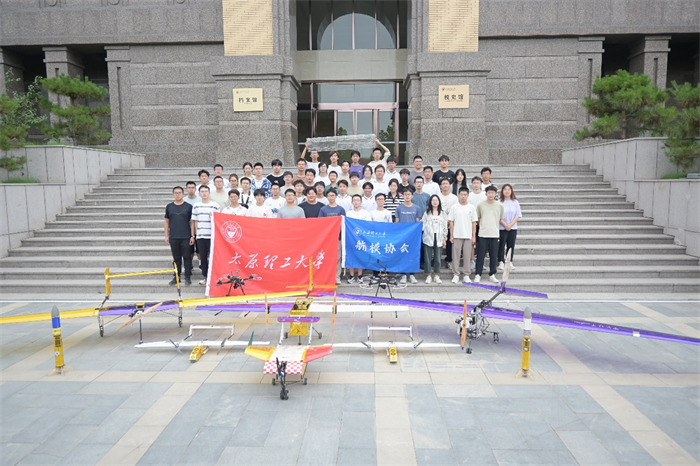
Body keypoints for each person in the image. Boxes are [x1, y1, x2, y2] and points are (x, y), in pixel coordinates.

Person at [164, 186, 194, 286]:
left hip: (186, 236)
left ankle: (187, 277)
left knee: (187, 257)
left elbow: (192, 222)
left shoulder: (188, 206)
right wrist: (166, 235)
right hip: (174, 236)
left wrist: (192, 236)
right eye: (176, 193)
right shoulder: (169, 206)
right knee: (176, 258)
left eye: (179, 193)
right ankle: (176, 276)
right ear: (173, 194)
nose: (178, 195)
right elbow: (166, 221)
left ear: (183, 194)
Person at [475, 185, 504, 284]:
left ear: (495, 194)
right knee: (480, 255)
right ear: (486, 194)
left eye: (492, 193)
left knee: (493, 255)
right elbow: (478, 218)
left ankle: (492, 274)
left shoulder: (499, 206)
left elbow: (500, 218)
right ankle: (478, 274)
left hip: (494, 234)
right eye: (489, 193)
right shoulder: (481, 205)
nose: (491, 194)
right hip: (483, 233)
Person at [191, 185, 220, 285]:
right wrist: (193, 235)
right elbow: (194, 221)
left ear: (209, 193)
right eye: (202, 191)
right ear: (199, 193)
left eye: (206, 191)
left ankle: (214, 277)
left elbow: (219, 220)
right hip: (201, 236)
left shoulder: (215, 205)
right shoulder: (196, 205)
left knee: (213, 258)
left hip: (212, 236)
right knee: (203, 258)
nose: (204, 193)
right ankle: (206, 277)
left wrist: (214, 217)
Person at [449, 187, 478, 284]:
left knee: (467, 256)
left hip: (468, 235)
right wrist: (451, 235)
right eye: (461, 194)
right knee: (455, 256)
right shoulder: (454, 207)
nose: (463, 196)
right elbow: (451, 222)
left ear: (468, 195)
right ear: (458, 195)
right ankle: (456, 274)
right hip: (457, 234)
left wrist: (473, 236)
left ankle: (466, 275)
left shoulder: (471, 207)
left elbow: (474, 223)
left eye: (465, 195)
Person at [319, 188, 346, 285]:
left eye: (333, 195)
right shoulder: (323, 209)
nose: (331, 197)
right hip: (327, 239)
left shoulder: (341, 209)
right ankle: (327, 277)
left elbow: (343, 223)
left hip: (338, 238)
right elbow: (321, 224)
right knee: (327, 258)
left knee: (338, 258)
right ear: (327, 197)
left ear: (336, 196)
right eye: (329, 195)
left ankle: (336, 277)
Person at [394, 190, 422, 284]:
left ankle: (412, 275)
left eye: (409, 194)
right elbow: (397, 222)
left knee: (412, 254)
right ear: (403, 196)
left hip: (413, 236)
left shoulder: (417, 208)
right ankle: (403, 275)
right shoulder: (399, 208)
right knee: (403, 254)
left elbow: (417, 222)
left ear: (412, 196)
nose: (407, 196)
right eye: (405, 194)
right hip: (402, 235)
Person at [345, 194, 372, 284]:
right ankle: (351, 275)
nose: (356, 202)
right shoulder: (348, 213)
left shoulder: (366, 213)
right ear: (352, 202)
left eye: (358, 200)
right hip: (351, 237)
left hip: (362, 238)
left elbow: (368, 225)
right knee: (351, 255)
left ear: (361, 202)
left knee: (361, 256)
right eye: (354, 200)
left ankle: (360, 275)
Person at [422, 195, 448, 284]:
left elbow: (445, 227)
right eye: (433, 200)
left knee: (437, 257)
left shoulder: (443, 213)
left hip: (439, 237)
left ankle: (437, 275)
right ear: (430, 202)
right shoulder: (427, 213)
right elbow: (423, 224)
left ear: (439, 202)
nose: (435, 202)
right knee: (427, 257)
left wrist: (445, 238)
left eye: (436, 200)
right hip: (428, 236)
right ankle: (428, 275)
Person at [497, 184, 522, 271]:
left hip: (513, 228)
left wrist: (510, 225)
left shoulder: (515, 202)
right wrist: (505, 225)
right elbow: (497, 215)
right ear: (502, 191)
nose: (507, 191)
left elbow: (517, 215)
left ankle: (509, 261)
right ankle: (501, 261)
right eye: (505, 189)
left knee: (511, 245)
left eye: (509, 189)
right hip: (502, 227)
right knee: (501, 245)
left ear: (511, 191)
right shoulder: (499, 202)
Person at [468, 176, 487, 272]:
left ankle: (481, 262)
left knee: (482, 244)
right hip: (471, 222)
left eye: (478, 183)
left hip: (482, 222)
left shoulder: (484, 195)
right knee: (471, 242)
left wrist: (480, 219)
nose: (476, 185)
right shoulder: (469, 195)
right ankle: (472, 261)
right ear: (472, 184)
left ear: (481, 184)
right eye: (474, 183)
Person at [437, 178, 458, 265]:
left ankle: (449, 260)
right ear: (440, 186)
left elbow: (455, 211)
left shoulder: (454, 198)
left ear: (450, 185)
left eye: (447, 184)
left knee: (450, 242)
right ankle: (436, 260)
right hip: (438, 224)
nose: (445, 185)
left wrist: (450, 220)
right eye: (443, 184)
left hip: (450, 224)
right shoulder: (437, 196)